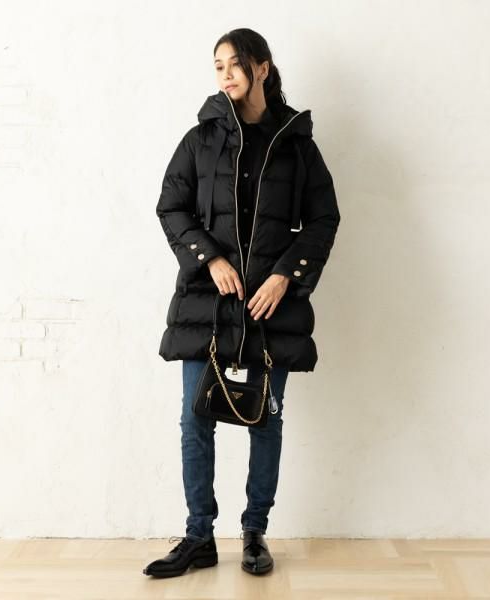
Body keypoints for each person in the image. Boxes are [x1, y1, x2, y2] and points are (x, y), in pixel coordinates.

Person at [144, 28, 340, 578]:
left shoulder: (297, 145)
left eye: (235, 64)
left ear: (262, 68)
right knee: (194, 420)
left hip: (271, 308)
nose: (226, 74)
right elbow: (171, 207)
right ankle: (198, 537)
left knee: (266, 420)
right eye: (218, 65)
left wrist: (285, 276)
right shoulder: (200, 140)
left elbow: (324, 218)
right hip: (207, 303)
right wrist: (209, 258)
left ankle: (255, 532)